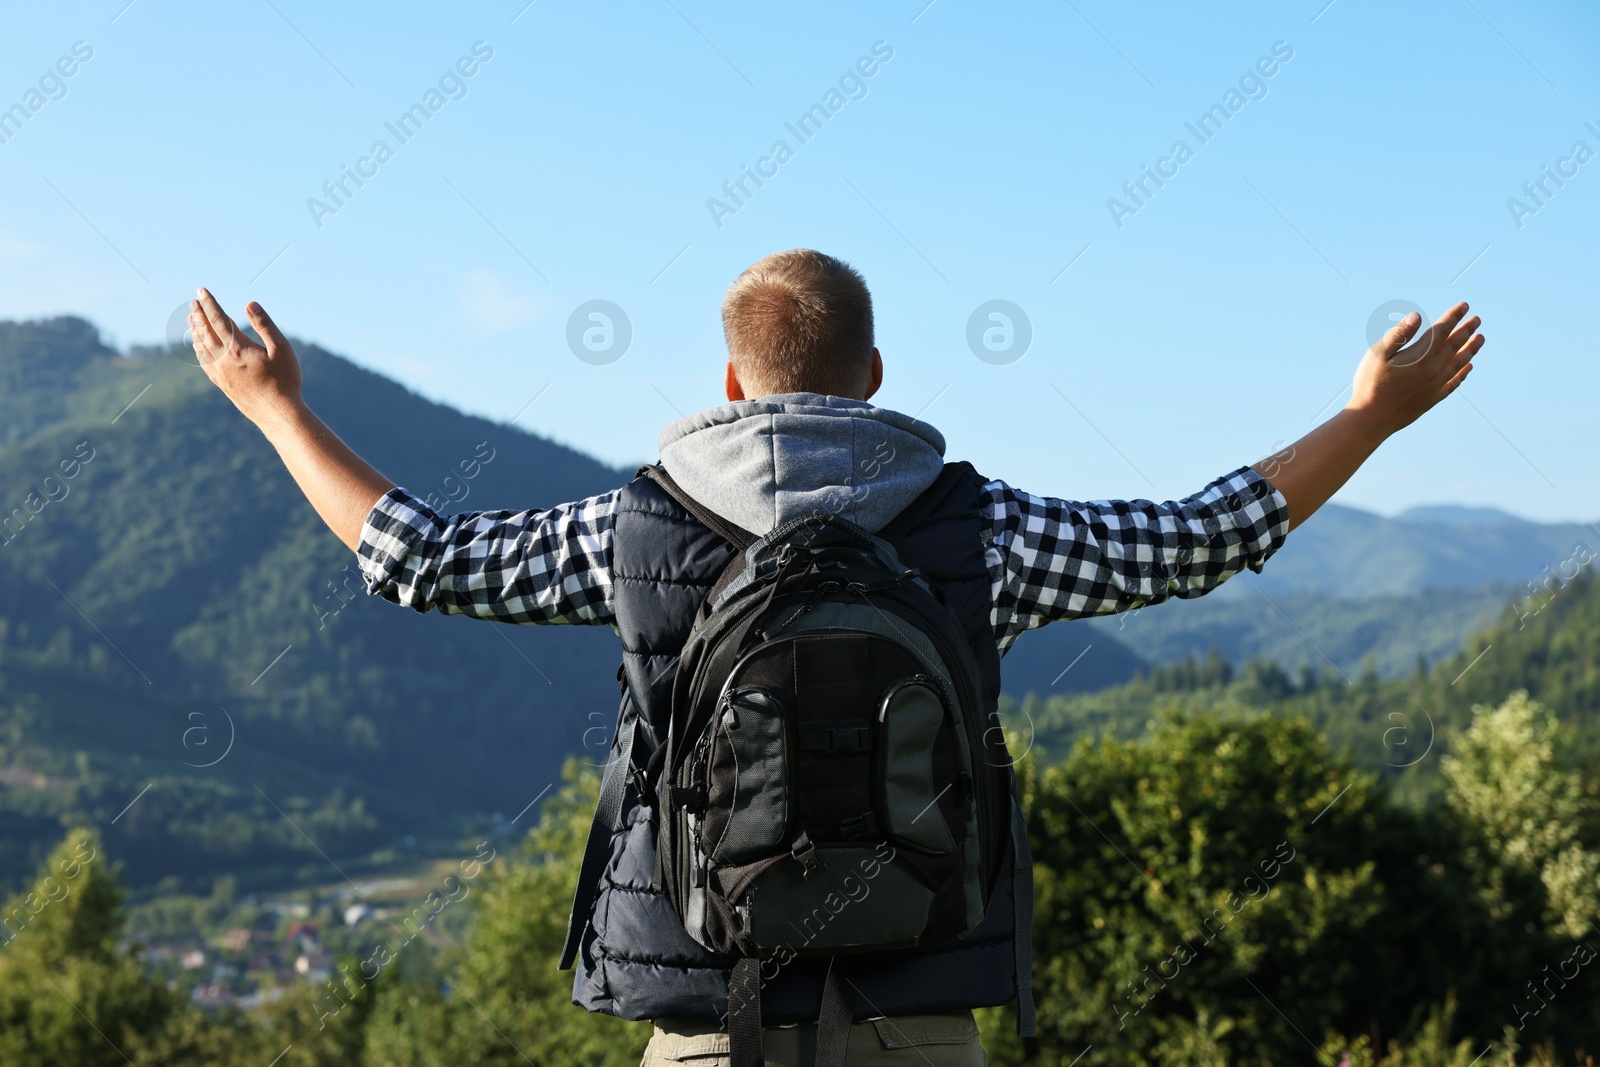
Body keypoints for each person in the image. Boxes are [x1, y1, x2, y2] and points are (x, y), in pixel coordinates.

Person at [188, 250, 1483, 1066]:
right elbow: (1206, 537)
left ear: (735, 385)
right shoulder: (983, 527)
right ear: (873, 374)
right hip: (921, 1010)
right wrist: (1374, 413)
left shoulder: (632, 530)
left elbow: (422, 557)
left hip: (709, 1018)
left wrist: (275, 405)